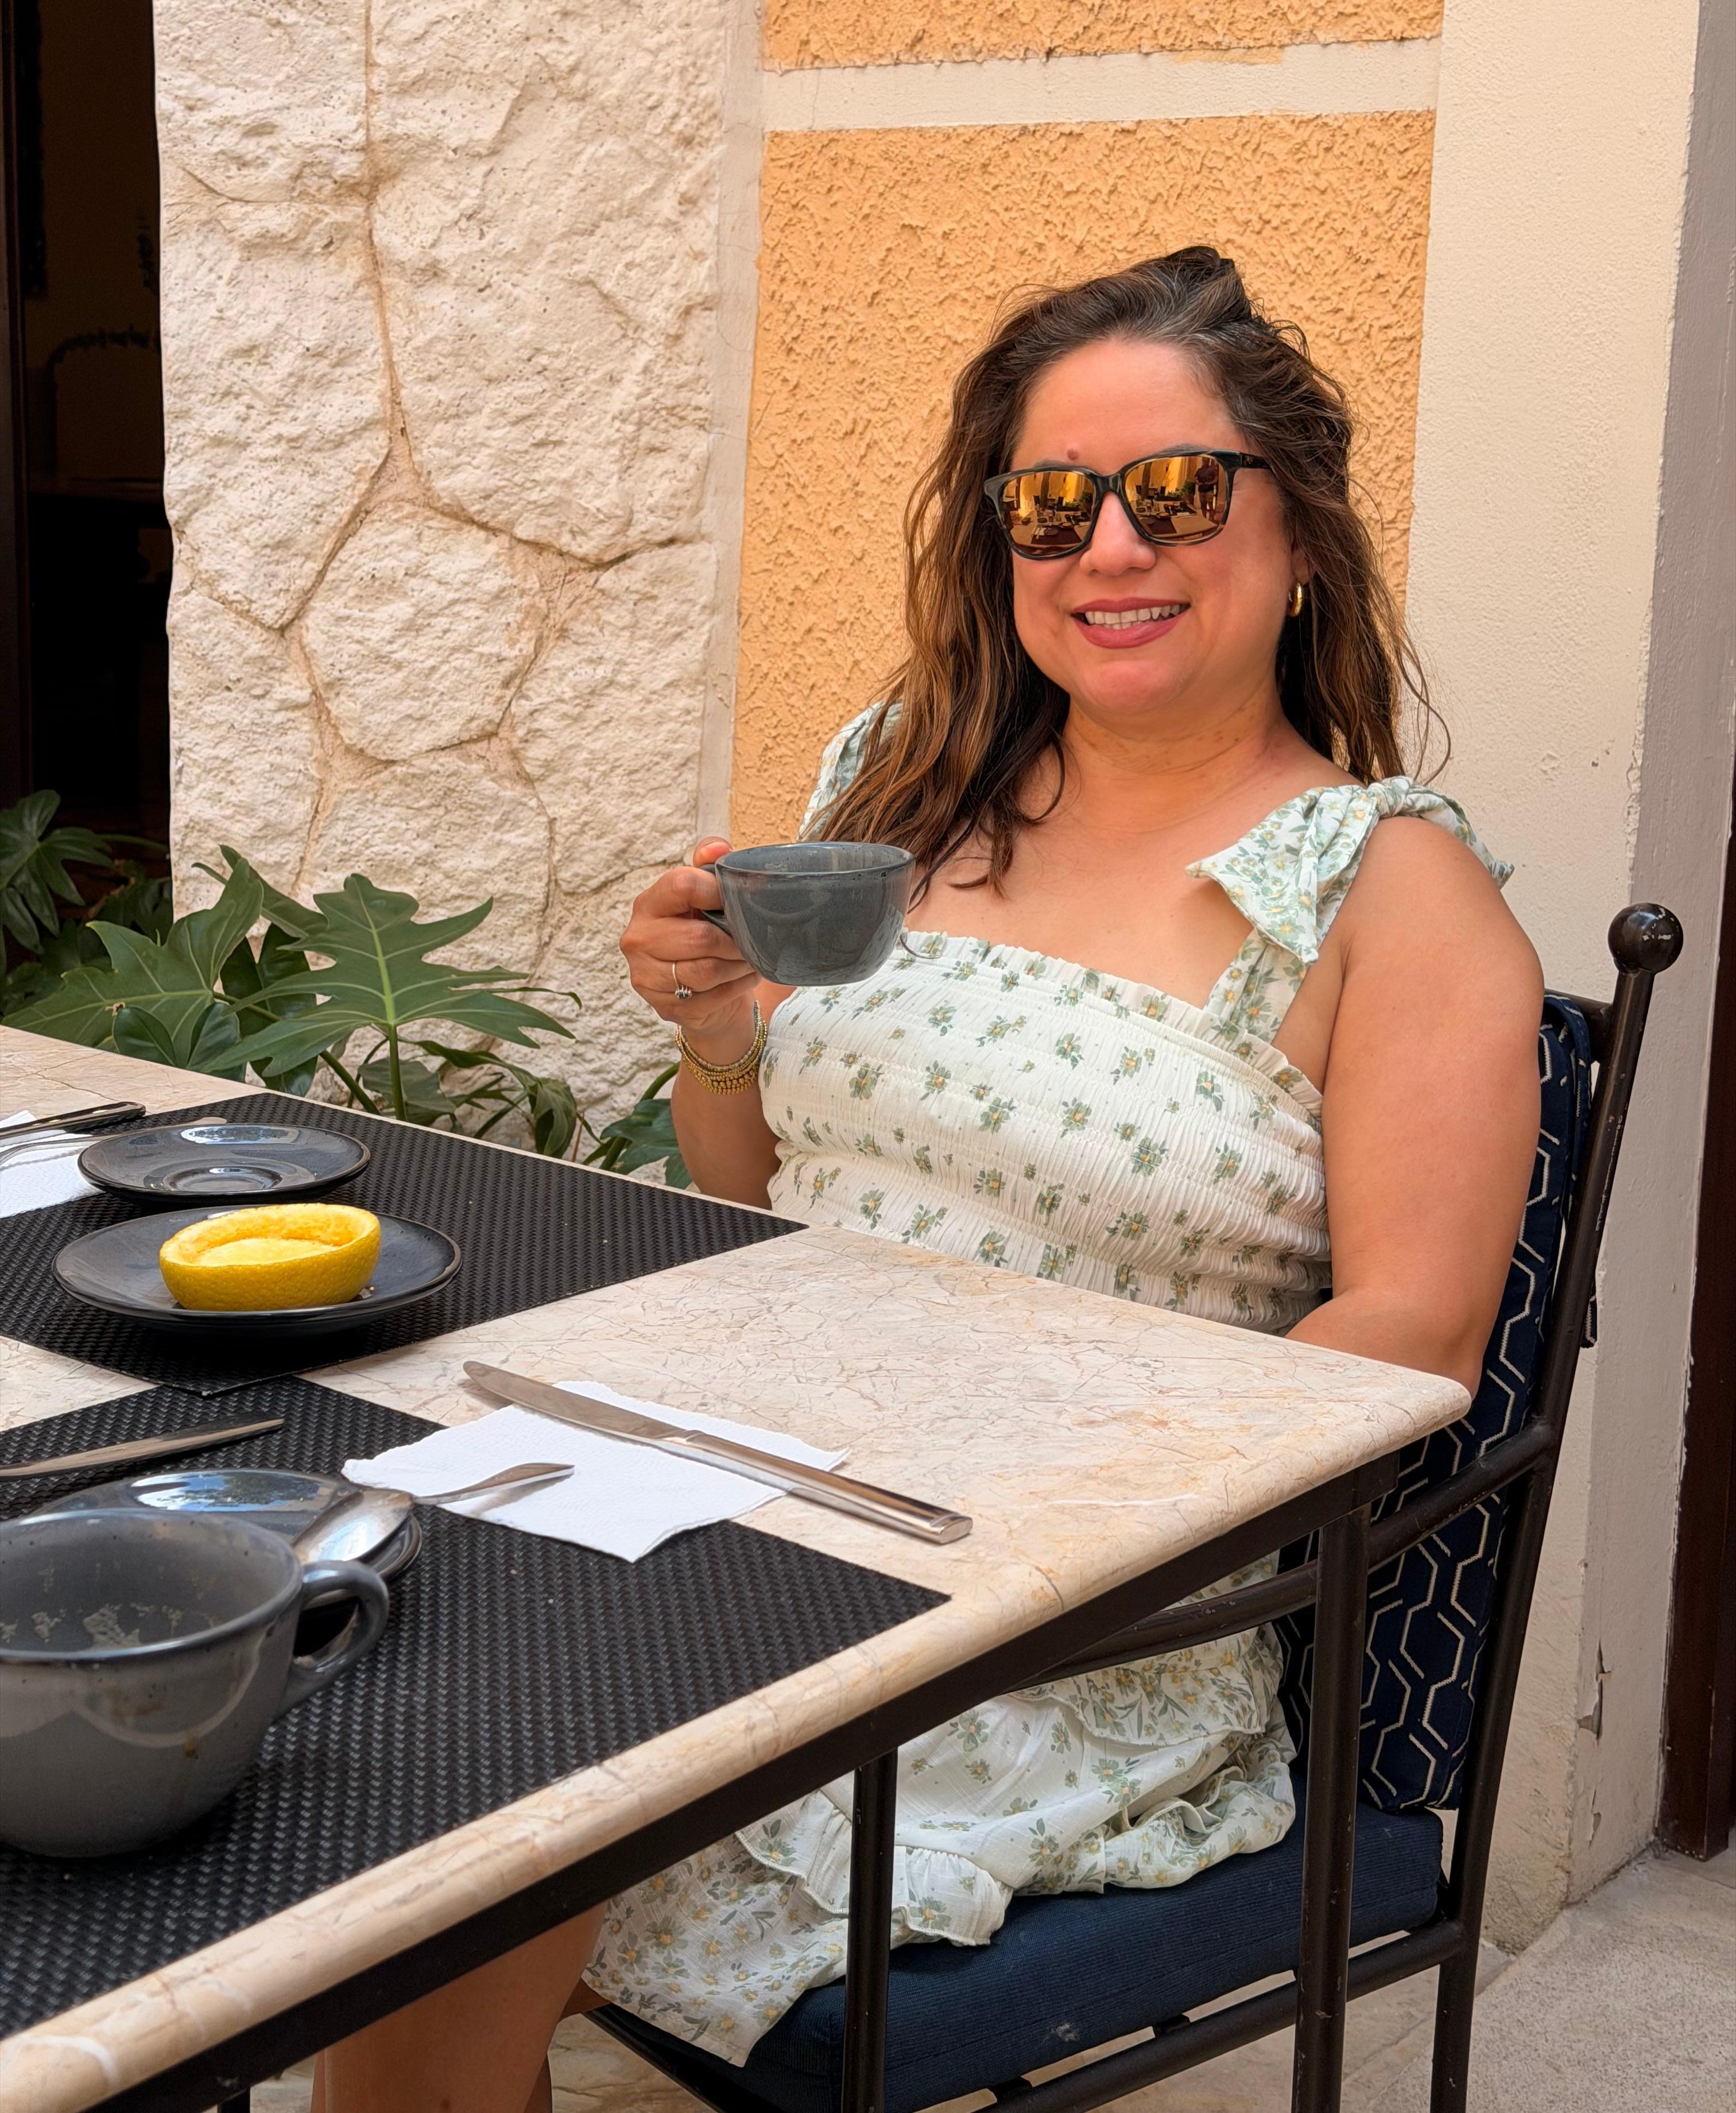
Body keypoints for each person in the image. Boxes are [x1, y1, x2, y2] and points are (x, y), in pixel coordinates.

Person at [313, 246, 1541, 2110]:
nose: (1109, 547)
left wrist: (1031, 1485)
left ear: (1298, 531)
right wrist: (716, 1024)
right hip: (732, 1481)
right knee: (368, 1681)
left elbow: (1415, 1341)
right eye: (1052, 503)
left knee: (480, 1804)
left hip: (1054, 1602)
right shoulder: (904, 791)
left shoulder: (1390, 894)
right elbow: (763, 1181)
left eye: (1176, 491)